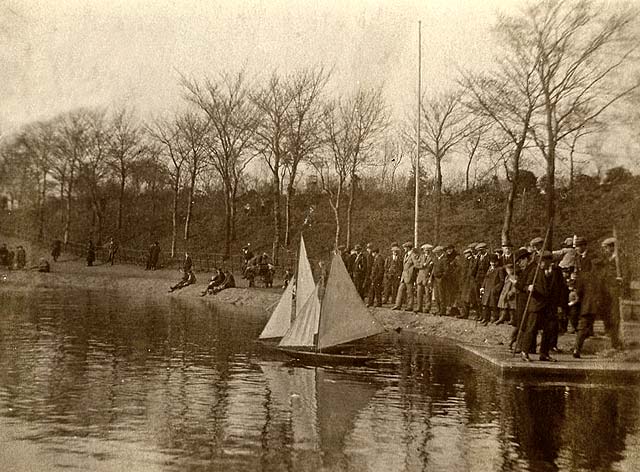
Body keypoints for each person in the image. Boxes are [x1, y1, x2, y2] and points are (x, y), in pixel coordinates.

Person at [517, 251, 567, 362]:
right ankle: (524, 352)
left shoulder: (555, 272)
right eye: (540, 261)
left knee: (548, 330)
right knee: (531, 329)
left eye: (545, 261)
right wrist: (528, 288)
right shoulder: (534, 272)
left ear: (550, 261)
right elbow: (523, 285)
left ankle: (544, 353)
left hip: (549, 306)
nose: (542, 263)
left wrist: (559, 305)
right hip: (536, 305)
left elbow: (559, 289)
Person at [392, 243, 419, 312]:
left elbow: (416, 265)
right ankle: (397, 305)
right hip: (404, 276)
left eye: (405, 248)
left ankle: (410, 306)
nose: (404, 249)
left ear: (408, 248)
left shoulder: (413, 255)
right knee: (400, 290)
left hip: (409, 276)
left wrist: (411, 272)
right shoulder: (406, 255)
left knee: (410, 292)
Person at [480, 254, 504, 325]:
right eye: (491, 262)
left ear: (497, 262)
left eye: (494, 262)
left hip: (493, 290)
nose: (493, 263)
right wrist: (482, 287)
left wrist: (496, 289)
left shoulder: (500, 269)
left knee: (493, 305)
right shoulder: (489, 269)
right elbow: (485, 278)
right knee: (485, 304)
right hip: (487, 289)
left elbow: (502, 281)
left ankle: (494, 317)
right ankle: (485, 318)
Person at [415, 244, 434, 314]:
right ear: (423, 251)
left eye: (428, 250)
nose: (427, 252)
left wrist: (430, 278)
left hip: (427, 277)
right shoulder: (421, 257)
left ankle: (427, 307)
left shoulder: (432, 258)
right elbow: (416, 265)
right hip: (420, 277)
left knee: (427, 294)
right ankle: (419, 307)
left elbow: (432, 269)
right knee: (419, 293)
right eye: (425, 250)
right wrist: (422, 265)